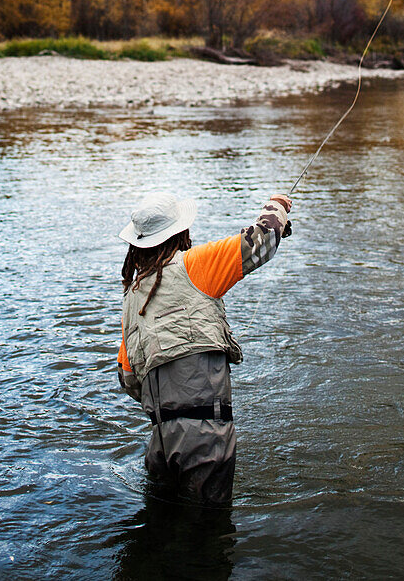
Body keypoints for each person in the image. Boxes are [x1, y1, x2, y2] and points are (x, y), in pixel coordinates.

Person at [117, 189, 292, 507]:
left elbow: (128, 379)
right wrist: (277, 205)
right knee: (206, 535)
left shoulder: (132, 297)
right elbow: (263, 238)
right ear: (180, 232)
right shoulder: (195, 263)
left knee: (162, 529)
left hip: (158, 444)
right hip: (205, 440)